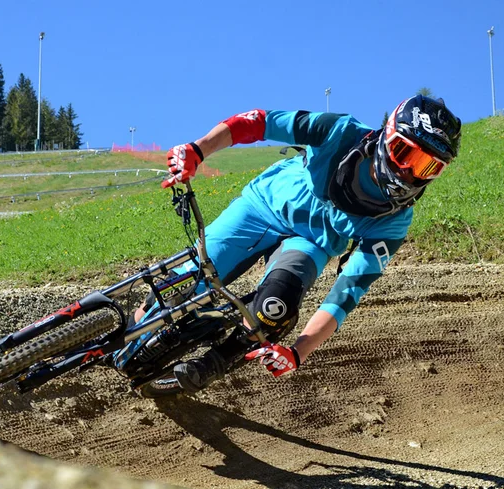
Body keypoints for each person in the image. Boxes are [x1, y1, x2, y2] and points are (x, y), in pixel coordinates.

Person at [157, 95, 462, 393]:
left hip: (309, 243)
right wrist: (198, 150)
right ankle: (131, 328)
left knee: (275, 310)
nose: (407, 172)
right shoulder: (339, 131)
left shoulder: (394, 223)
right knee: (183, 285)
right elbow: (259, 122)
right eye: (403, 152)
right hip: (263, 207)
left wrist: (298, 353)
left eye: (425, 166)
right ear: (387, 135)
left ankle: (214, 362)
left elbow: (346, 293)